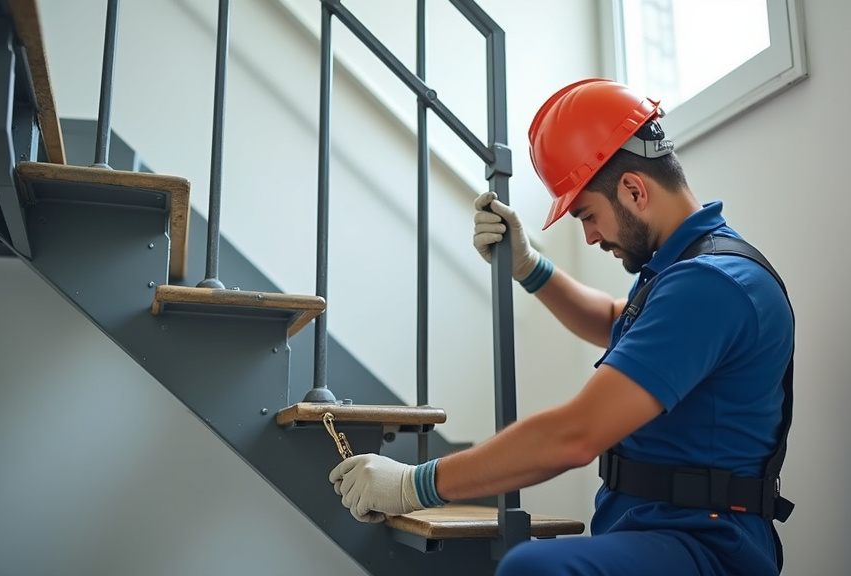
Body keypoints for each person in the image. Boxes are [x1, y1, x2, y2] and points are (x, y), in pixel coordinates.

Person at [329, 78, 795, 575]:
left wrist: (413, 485)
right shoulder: (684, 271)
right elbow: (612, 320)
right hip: (659, 535)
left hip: (706, 546)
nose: (591, 235)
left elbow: (575, 434)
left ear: (634, 189)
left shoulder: (711, 284)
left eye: (587, 214)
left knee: (533, 569)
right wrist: (529, 266)